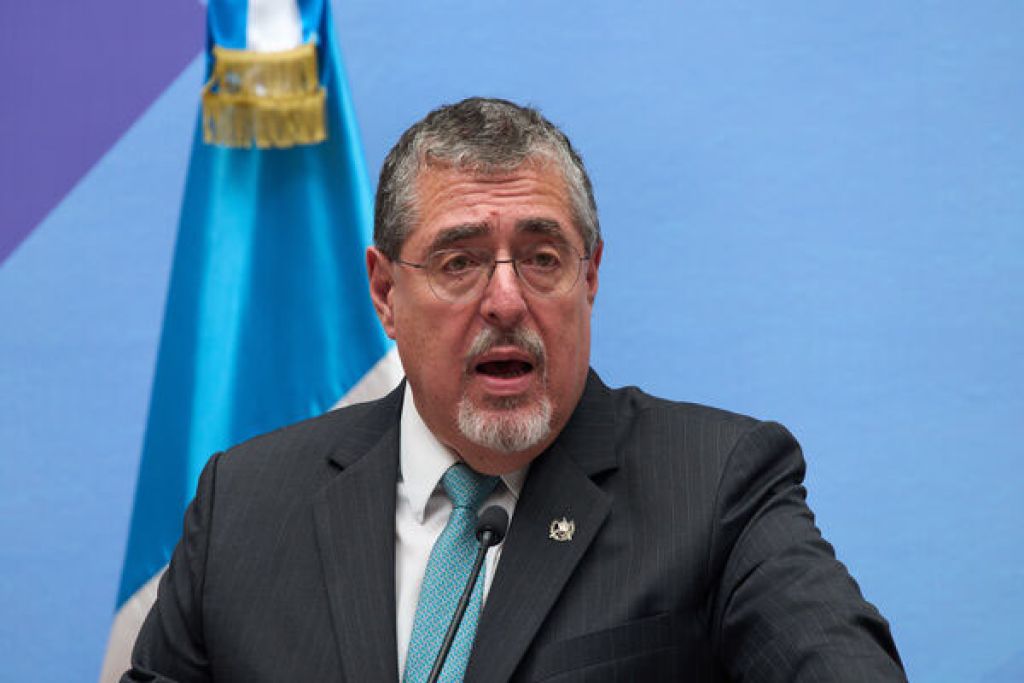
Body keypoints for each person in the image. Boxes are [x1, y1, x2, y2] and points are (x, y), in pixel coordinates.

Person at [124, 97, 906, 682]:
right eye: (460, 262)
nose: (505, 300)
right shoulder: (244, 508)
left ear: (589, 277)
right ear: (386, 293)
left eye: (541, 258)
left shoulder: (716, 486)